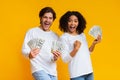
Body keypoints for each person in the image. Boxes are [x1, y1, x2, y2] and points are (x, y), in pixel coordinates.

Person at [59, 11, 101, 80]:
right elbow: (64, 59)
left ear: (79, 23)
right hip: (77, 74)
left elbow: (88, 53)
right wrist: (75, 49)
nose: (73, 23)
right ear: (65, 22)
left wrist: (93, 44)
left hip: (89, 71)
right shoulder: (63, 38)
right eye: (70, 21)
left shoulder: (82, 35)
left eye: (75, 21)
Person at [22, 7, 61, 80]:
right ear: (40, 18)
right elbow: (24, 50)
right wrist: (29, 54)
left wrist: (55, 57)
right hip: (38, 68)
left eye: (50, 18)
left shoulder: (56, 36)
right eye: (45, 17)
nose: (47, 20)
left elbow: (53, 58)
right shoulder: (32, 32)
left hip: (52, 72)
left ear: (53, 20)